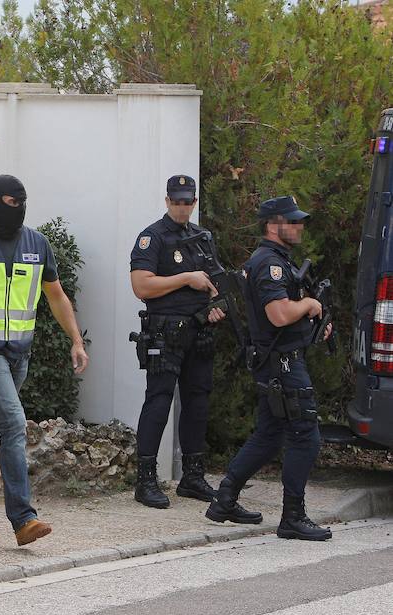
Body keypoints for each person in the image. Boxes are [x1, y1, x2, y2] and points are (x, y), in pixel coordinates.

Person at [0, 175, 89, 545]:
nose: (18, 208)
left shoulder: (37, 243)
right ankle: (22, 518)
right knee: (14, 424)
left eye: (23, 201)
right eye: (11, 202)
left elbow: (56, 295)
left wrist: (76, 340)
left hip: (20, 354)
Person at [206, 196, 333, 541]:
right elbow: (277, 315)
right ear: (273, 225)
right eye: (293, 221)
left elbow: (282, 317)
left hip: (276, 361)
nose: (299, 226)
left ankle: (225, 499)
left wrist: (314, 320)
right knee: (305, 436)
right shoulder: (269, 264)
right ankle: (293, 517)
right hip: (283, 365)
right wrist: (308, 303)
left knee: (269, 434)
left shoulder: (274, 261)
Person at [129, 175, 227, 509]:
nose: (183, 207)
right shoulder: (152, 237)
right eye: (177, 201)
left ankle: (192, 478)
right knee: (158, 402)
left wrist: (217, 309)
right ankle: (146, 481)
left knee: (197, 403)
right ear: (167, 200)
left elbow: (217, 286)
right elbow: (142, 287)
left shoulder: (202, 238)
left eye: (188, 202)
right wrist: (186, 278)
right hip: (165, 333)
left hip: (199, 333)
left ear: (194, 202)